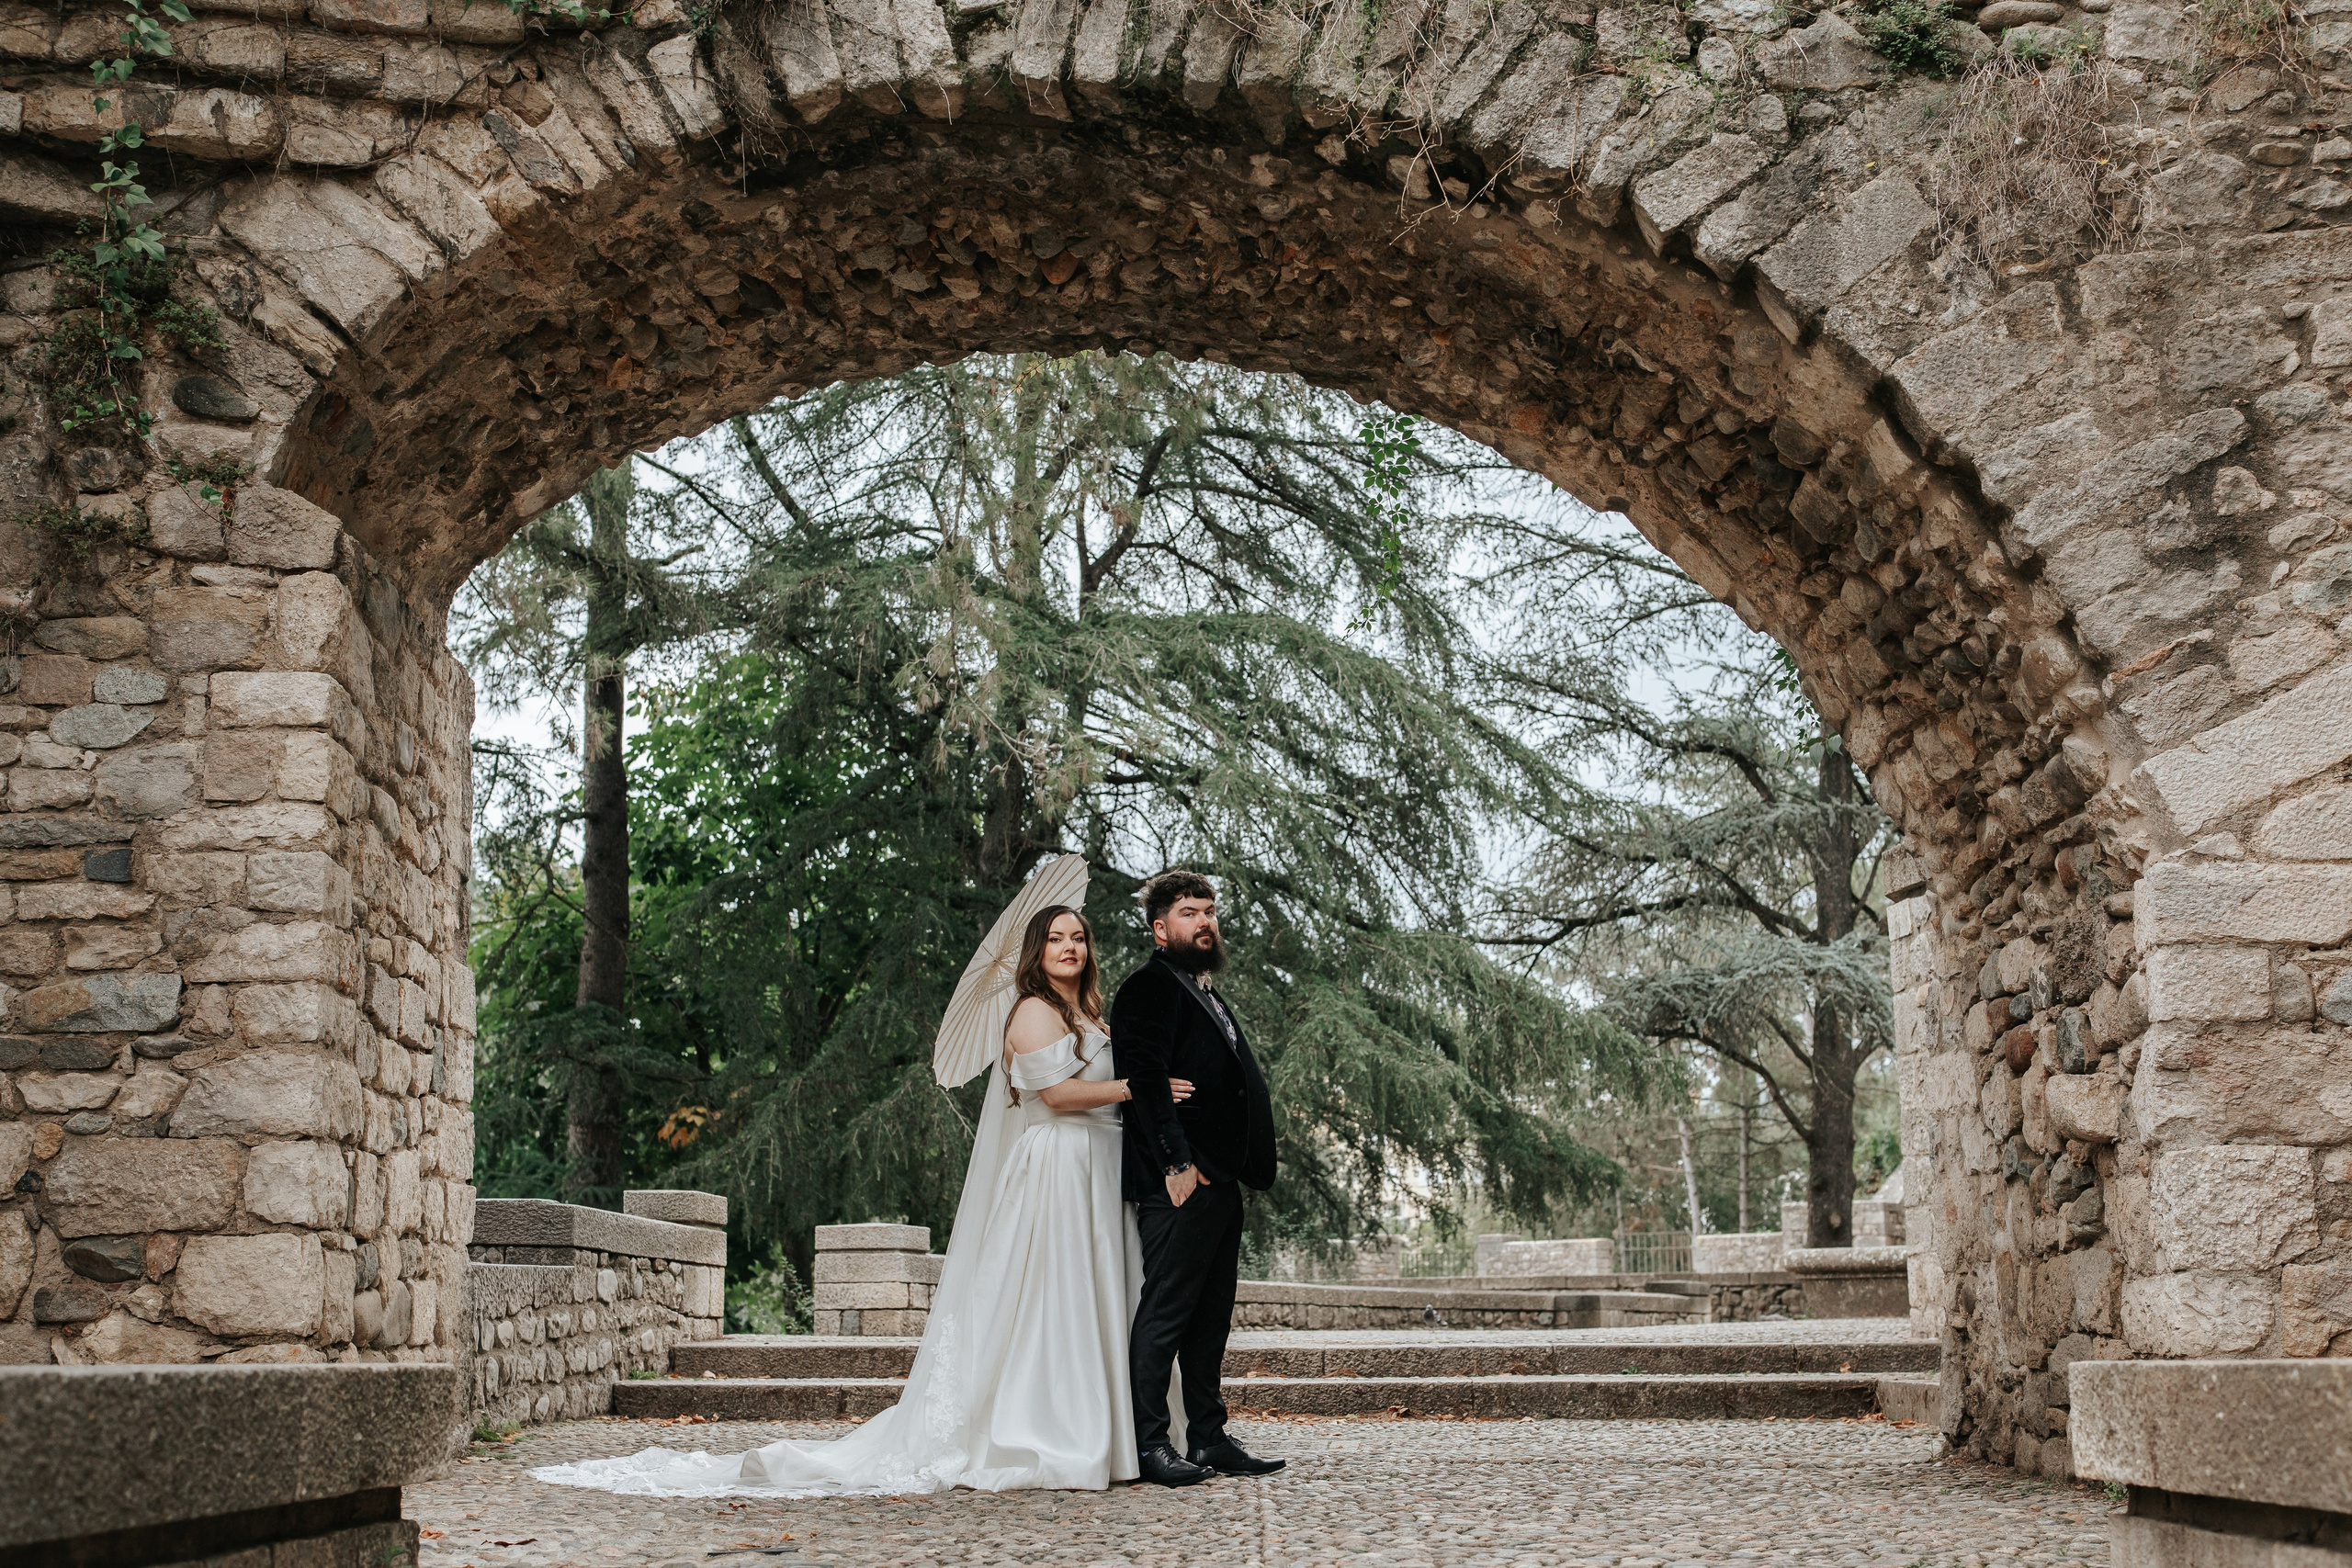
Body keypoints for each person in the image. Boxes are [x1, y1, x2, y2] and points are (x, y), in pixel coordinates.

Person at [532, 904, 1193, 1497]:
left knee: (1104, 1293)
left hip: (1100, 1169)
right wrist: (1138, 1087)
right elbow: (1057, 1096)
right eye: (1056, 938)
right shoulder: (1031, 1011)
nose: (1070, 947)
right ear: (1036, 951)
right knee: (1058, 1299)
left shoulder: (1091, 1013)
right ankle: (1058, 1431)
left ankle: (1119, 1431)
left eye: (1078, 937)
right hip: (1058, 1170)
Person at [1114, 870, 1283, 1487]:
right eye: (1189, 912)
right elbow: (1144, 1080)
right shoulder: (1148, 987)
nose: (1205, 921)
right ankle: (1151, 1444)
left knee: (1210, 1321)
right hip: (1181, 1183)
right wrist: (1177, 1165)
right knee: (1165, 1315)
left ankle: (1208, 1437)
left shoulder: (1201, 989)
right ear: (1160, 929)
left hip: (1221, 1182)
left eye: (1209, 911)